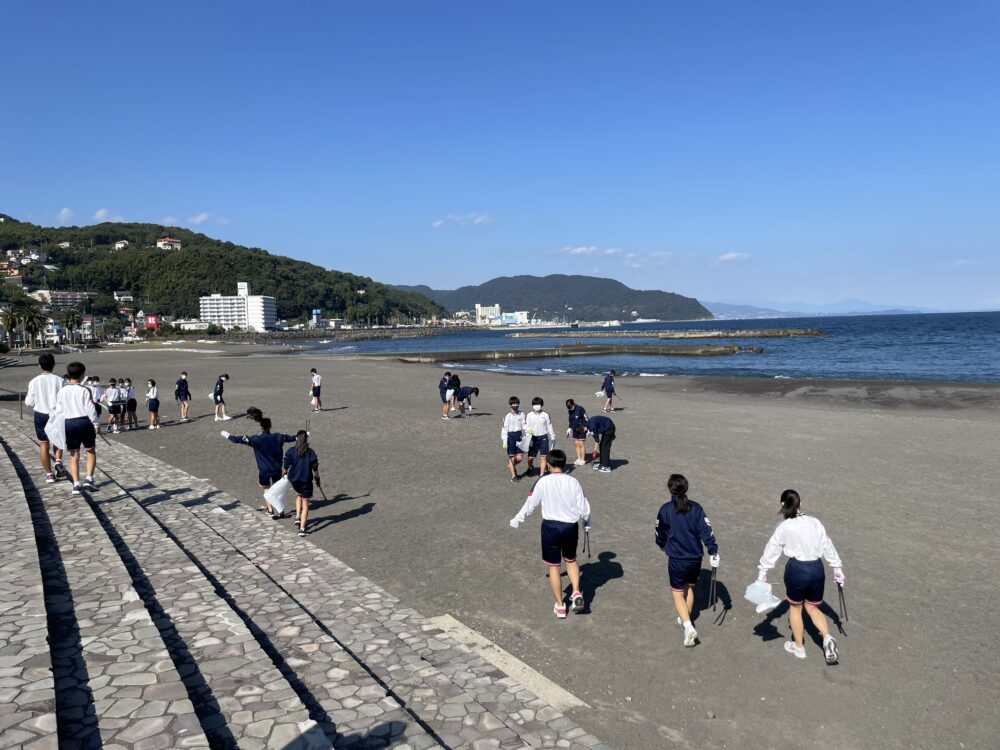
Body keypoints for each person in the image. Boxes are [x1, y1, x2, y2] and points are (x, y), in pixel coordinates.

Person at [757, 489, 843, 664]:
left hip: (797, 569)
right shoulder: (815, 522)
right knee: (812, 607)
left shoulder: (784, 526)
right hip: (817, 569)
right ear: (800, 503)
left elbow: (772, 549)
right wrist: (837, 568)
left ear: (782, 504)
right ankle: (827, 637)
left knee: (795, 608)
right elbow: (827, 544)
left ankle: (799, 647)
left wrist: (763, 572)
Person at [509, 449, 592, 619]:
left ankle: (560, 606)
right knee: (571, 560)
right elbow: (583, 505)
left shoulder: (543, 481)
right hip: (570, 526)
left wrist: (518, 519)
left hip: (551, 527)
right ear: (563, 463)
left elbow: (530, 503)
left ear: (548, 464)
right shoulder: (573, 481)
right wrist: (587, 521)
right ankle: (576, 592)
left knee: (554, 566)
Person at [654, 474, 720, 647]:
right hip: (695, 558)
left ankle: (688, 626)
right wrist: (713, 551)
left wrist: (661, 544)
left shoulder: (665, 510)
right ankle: (686, 618)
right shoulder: (696, 508)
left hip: (677, 558)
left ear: (670, 489)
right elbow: (707, 531)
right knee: (689, 587)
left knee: (677, 593)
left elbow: (659, 532)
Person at [222, 417, 297, 517]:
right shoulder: (278, 437)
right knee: (277, 489)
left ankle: (270, 510)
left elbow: (239, 439)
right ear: (270, 426)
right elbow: (292, 438)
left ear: (260, 427)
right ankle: (281, 510)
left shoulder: (256, 439)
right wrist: (302, 436)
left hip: (264, 471)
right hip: (276, 469)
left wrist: (228, 436)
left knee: (266, 488)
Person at [53, 361, 99, 495]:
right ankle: (89, 479)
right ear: (82, 374)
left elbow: (59, 410)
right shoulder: (85, 390)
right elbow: (90, 408)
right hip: (84, 421)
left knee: (74, 453)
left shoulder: (62, 391)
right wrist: (96, 424)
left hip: (69, 422)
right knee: (90, 450)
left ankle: (76, 483)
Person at [24, 353, 65, 483]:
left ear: (40, 365)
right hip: (56, 414)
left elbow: (29, 402)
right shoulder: (60, 380)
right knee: (58, 440)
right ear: (53, 365)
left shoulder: (34, 381)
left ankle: (49, 474)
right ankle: (58, 461)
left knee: (43, 443)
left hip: (40, 414)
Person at [283, 430, 321, 537]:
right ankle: (302, 529)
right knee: (305, 502)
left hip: (294, 479)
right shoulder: (310, 452)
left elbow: (286, 465)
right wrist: (318, 479)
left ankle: (297, 517)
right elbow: (315, 467)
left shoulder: (291, 451)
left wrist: (284, 473)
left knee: (298, 494)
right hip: (305, 480)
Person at [524, 396, 556, 476]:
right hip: (533, 438)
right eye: (535, 404)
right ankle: (530, 467)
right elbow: (525, 426)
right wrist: (528, 434)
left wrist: (553, 437)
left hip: (543, 438)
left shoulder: (545, 415)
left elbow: (549, 426)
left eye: (538, 404)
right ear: (532, 405)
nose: (536, 406)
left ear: (541, 405)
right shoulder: (529, 415)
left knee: (543, 457)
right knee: (531, 458)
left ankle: (541, 475)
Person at [500, 396, 527, 483]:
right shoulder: (507, 416)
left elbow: (524, 425)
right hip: (510, 437)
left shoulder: (522, 414)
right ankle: (513, 476)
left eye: (516, 404)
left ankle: (510, 466)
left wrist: (528, 430)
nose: (515, 405)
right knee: (512, 458)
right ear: (510, 405)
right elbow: (504, 429)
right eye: (513, 404)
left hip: (519, 436)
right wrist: (504, 440)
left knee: (519, 457)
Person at [565, 399, 589, 467]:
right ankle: (578, 458)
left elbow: (586, 418)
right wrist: (569, 428)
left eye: (571, 406)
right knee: (576, 444)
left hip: (581, 427)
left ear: (574, 403)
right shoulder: (570, 410)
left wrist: (586, 427)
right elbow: (570, 419)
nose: (571, 408)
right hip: (574, 429)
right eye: (569, 407)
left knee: (581, 444)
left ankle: (582, 459)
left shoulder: (580, 409)